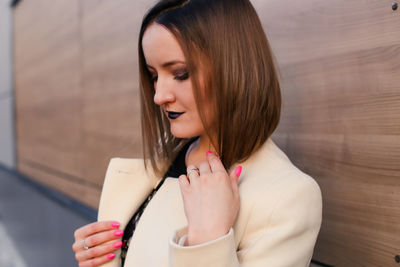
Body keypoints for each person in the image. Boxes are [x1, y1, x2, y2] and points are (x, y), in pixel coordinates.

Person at [72, 0, 322, 266]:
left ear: (234, 67)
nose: (159, 96)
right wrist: (98, 255)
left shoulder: (287, 198)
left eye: (180, 73)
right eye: (154, 75)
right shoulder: (163, 160)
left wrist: (207, 243)